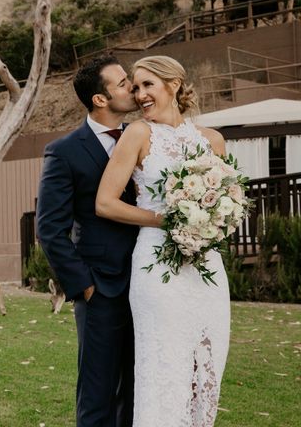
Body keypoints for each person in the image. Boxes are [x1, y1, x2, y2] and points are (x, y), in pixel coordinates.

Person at [95, 55, 231, 426]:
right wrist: (167, 220)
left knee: (207, 367)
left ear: (173, 84)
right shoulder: (139, 134)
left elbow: (227, 200)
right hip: (158, 268)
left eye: (147, 84)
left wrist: (213, 223)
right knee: (164, 368)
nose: (139, 95)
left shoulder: (213, 140)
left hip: (206, 269)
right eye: (135, 87)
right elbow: (105, 202)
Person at [36, 54, 142, 427]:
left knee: (137, 390)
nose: (133, 87)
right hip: (101, 287)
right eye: (123, 82)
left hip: (149, 284)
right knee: (97, 393)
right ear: (100, 99)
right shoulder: (64, 151)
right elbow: (49, 227)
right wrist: (84, 286)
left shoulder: (145, 137)